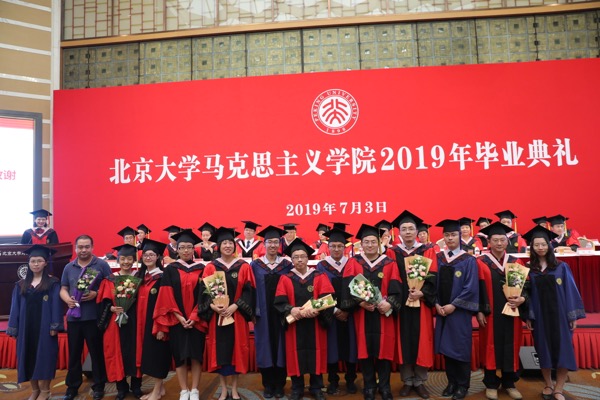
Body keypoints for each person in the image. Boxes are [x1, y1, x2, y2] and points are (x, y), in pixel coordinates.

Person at [522, 226, 586, 400]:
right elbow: (526, 295)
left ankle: (559, 388)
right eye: (536, 245)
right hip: (540, 316)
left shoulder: (561, 267)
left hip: (560, 316)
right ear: (532, 247)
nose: (540, 248)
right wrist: (528, 315)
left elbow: (570, 291)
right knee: (543, 351)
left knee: (563, 351)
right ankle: (548, 384)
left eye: (543, 244)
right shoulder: (529, 269)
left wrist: (572, 315)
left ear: (549, 245)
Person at [341, 224, 402, 400]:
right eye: (366, 242)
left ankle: (385, 386)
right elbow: (346, 288)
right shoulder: (354, 262)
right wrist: (360, 303)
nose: (370, 245)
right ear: (361, 244)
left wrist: (389, 304)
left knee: (384, 350)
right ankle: (369, 386)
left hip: (383, 316)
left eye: (373, 242)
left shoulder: (389, 263)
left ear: (379, 243)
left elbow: (397, 288)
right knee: (365, 351)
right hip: (362, 316)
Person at [274, 238, 335, 400]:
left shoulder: (319, 276)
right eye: (296, 257)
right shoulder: (285, 278)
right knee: (295, 355)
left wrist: (317, 310)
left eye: (302, 256)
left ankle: (316, 387)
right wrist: (291, 309)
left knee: (316, 353)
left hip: (315, 324)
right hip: (295, 325)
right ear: (291, 260)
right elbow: (279, 302)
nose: (299, 260)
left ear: (308, 258)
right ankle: (297, 388)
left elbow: (328, 298)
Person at [199, 227, 256, 400]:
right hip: (218, 317)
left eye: (230, 243)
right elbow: (203, 292)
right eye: (224, 243)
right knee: (221, 352)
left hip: (237, 316)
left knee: (237, 352)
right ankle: (224, 389)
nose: (228, 246)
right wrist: (213, 307)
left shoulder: (244, 266)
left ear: (234, 246)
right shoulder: (211, 267)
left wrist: (236, 306)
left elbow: (249, 291)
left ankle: (235, 389)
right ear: (219, 246)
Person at [387, 211, 438, 399]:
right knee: (404, 341)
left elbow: (433, 275)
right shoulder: (393, 252)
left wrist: (422, 293)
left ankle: (420, 381)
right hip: (401, 305)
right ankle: (408, 381)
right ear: (399, 232)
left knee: (421, 341)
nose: (407, 232)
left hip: (421, 303)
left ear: (417, 231)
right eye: (404, 229)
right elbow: (391, 278)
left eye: (411, 229)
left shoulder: (427, 250)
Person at [476, 222, 526, 400]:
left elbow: (526, 286)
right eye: (495, 240)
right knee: (489, 346)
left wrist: (522, 299)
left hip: (512, 312)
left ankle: (509, 383)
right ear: (488, 242)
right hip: (490, 313)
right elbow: (476, 289)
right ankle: (491, 383)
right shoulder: (480, 262)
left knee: (511, 345)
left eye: (502, 240)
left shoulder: (516, 262)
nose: (499, 243)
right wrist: (479, 311)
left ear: (507, 242)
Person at [153, 229, 206, 400]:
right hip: (177, 321)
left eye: (189, 247)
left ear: (194, 249)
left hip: (197, 320)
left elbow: (206, 295)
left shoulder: (202, 269)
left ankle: (195, 389)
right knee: (180, 356)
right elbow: (166, 295)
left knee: (196, 356)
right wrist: (179, 316)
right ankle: (184, 390)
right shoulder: (170, 269)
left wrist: (195, 315)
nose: (186, 250)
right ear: (176, 250)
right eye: (182, 247)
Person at [7, 245, 63, 400]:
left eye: (39, 261)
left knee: (45, 357)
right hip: (26, 328)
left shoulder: (52, 283)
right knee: (27, 357)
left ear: (45, 263)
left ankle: (45, 391)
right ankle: (35, 390)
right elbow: (15, 308)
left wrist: (54, 325)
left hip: (44, 327)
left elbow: (56, 305)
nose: (36, 264)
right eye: (33, 261)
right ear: (29, 263)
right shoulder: (20, 284)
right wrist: (14, 327)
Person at [60, 235, 112, 400]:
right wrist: (67, 299)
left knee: (96, 353)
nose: (83, 250)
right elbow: (63, 288)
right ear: (76, 248)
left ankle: (99, 386)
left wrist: (97, 293)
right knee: (74, 354)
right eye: (80, 247)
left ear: (92, 247)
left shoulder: (101, 265)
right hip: (74, 318)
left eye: (87, 247)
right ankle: (72, 387)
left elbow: (111, 287)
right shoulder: (69, 267)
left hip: (93, 317)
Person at [434, 220, 479, 400]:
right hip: (442, 311)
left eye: (453, 235)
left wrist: (454, 305)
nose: (450, 238)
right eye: (447, 235)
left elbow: (471, 287)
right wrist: (436, 304)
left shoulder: (468, 260)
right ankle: (451, 382)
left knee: (460, 348)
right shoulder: (438, 258)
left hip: (459, 312)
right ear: (443, 238)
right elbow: (432, 284)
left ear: (460, 236)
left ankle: (462, 385)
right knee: (446, 348)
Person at [250, 225, 293, 399]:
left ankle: (280, 384)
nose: (273, 245)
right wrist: (253, 312)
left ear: (280, 244)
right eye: (270, 242)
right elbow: (251, 289)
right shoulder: (255, 265)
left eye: (276, 242)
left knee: (282, 347)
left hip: (282, 313)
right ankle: (268, 384)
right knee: (265, 346)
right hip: (263, 314)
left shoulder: (287, 265)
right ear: (264, 244)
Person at [315, 228, 358, 395]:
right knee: (331, 347)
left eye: (340, 246)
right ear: (328, 247)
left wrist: (348, 310)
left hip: (351, 315)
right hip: (330, 315)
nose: (336, 249)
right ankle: (333, 381)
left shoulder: (352, 264)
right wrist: (334, 310)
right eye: (333, 246)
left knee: (350, 347)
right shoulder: (321, 266)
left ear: (344, 247)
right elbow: (318, 291)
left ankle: (350, 380)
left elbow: (359, 288)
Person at [97, 244, 142, 400]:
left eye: (129, 259)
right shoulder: (109, 280)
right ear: (118, 260)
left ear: (134, 260)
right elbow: (102, 303)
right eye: (122, 259)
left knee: (136, 352)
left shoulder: (139, 279)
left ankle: (136, 386)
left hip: (135, 321)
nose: (126, 262)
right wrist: (111, 308)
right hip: (115, 323)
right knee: (117, 353)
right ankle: (121, 387)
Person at [136, 239, 171, 400]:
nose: (148, 257)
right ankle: (160, 388)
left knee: (158, 355)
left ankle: (156, 391)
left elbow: (165, 304)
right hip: (142, 324)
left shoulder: (162, 277)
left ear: (158, 257)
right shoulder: (141, 277)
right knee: (150, 355)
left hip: (156, 324)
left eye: (151, 254)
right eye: (145, 255)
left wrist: (161, 327)